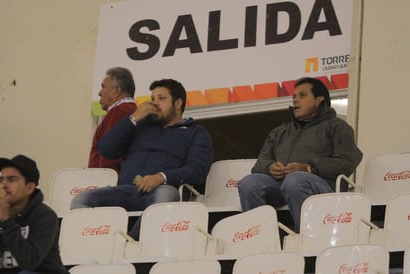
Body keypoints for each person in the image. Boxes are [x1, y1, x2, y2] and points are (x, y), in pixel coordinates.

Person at [71, 78, 214, 240]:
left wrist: (161, 177)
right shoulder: (139, 126)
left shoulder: (196, 133)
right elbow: (106, 149)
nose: (154, 103)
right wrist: (132, 119)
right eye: (152, 99)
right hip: (125, 190)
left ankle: (130, 243)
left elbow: (197, 171)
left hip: (159, 191)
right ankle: (98, 244)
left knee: (167, 195)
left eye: (161, 98)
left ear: (178, 103)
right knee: (81, 199)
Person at [238, 77, 363, 232]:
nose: (296, 100)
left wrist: (309, 168)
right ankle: (259, 238)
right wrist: (270, 168)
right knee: (249, 183)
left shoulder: (338, 127)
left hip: (324, 186)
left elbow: (348, 160)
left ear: (319, 100)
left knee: (295, 180)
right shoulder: (281, 131)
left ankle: (306, 237)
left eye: (302, 95)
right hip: (283, 185)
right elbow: (259, 164)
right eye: (294, 97)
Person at [0, 155, 68, 274]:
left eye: (11, 179)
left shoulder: (45, 216)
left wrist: (6, 221)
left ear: (29, 188)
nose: (3, 185)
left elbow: (29, 263)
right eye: (1, 180)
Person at [88, 67, 137, 174]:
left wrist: (102, 182)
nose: (100, 93)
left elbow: (109, 156)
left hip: (107, 181)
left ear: (116, 91)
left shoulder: (119, 112)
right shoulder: (133, 111)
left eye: (103, 87)